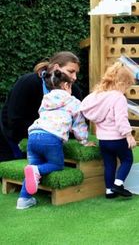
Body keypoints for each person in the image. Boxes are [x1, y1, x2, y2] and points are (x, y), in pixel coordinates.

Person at [16, 70, 92, 210]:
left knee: (33, 169)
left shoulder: (46, 99)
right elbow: (79, 124)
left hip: (33, 134)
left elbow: (42, 114)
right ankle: (36, 170)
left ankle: (24, 199)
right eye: (70, 85)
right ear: (65, 85)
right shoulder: (73, 102)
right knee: (56, 165)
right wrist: (84, 141)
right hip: (51, 137)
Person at [0, 51, 82, 161]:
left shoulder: (74, 91)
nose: (75, 77)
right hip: (11, 140)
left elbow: (76, 122)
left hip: (50, 140)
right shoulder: (28, 82)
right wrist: (48, 130)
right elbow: (14, 120)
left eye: (76, 73)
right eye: (71, 71)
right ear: (57, 68)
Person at [80, 62, 137, 199]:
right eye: (127, 86)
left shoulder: (97, 96)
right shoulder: (118, 98)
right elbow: (121, 119)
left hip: (103, 140)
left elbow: (84, 106)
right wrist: (128, 135)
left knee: (109, 164)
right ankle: (118, 184)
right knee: (127, 160)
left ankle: (109, 191)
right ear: (121, 83)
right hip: (118, 139)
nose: (126, 90)